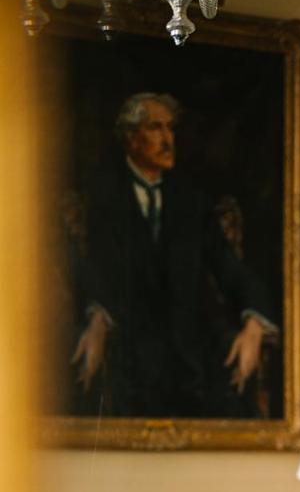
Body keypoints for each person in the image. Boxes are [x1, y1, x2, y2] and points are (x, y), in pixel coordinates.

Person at [70, 92, 279, 418]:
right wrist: (97, 321)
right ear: (131, 139)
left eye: (171, 129)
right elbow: (97, 268)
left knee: (231, 389)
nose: (168, 140)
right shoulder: (106, 195)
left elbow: (230, 269)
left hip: (192, 353)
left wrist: (253, 326)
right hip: (133, 352)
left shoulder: (191, 201)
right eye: (156, 128)